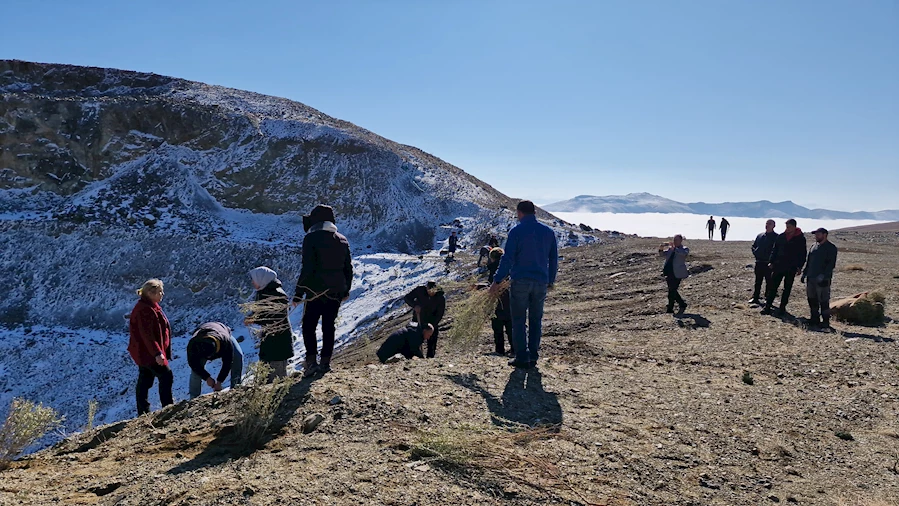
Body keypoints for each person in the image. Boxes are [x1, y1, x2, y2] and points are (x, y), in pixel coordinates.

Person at [490, 200, 558, 369]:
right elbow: (553, 259)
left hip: (520, 281)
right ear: (534, 212)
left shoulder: (516, 231)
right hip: (541, 282)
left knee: (519, 320)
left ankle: (522, 357)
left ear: (519, 213)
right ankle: (533, 356)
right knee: (536, 320)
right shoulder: (548, 232)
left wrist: (497, 281)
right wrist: (551, 280)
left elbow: (507, 259)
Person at [293, 204, 353, 377]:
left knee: (309, 326)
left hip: (315, 291)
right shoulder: (342, 240)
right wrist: (346, 290)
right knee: (328, 326)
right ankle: (325, 363)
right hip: (336, 291)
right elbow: (348, 269)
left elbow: (307, 268)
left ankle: (311, 362)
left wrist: (298, 293)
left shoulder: (311, 239)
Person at [128, 279, 173, 416]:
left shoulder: (150, 306)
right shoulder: (145, 310)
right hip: (148, 352)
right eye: (160, 292)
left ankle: (143, 412)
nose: (162, 294)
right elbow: (147, 335)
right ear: (150, 293)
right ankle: (167, 407)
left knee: (145, 379)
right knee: (166, 375)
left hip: (145, 352)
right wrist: (157, 353)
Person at [248, 266, 294, 380]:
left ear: (261, 279)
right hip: (269, 341)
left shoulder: (278, 295)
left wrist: (254, 319)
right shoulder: (264, 292)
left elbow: (276, 318)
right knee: (266, 377)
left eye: (254, 279)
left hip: (278, 343)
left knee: (276, 379)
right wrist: (252, 317)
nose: (252, 282)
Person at [187, 322, 244, 399]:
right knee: (196, 372)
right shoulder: (194, 343)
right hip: (204, 332)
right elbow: (193, 364)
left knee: (238, 356)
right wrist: (207, 378)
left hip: (222, 330)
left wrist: (219, 381)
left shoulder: (226, 342)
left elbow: (228, 363)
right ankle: (193, 397)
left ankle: (236, 388)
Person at [762, 219, 807, 317]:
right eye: (786, 227)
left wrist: (799, 266)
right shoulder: (781, 236)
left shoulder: (800, 238)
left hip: (791, 267)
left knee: (787, 288)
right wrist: (771, 261)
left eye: (789, 227)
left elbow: (802, 254)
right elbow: (775, 249)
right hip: (778, 265)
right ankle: (767, 306)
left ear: (794, 227)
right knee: (773, 286)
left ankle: (782, 308)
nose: (787, 229)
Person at [802, 228, 838, 329]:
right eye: (816, 234)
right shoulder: (813, 246)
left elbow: (831, 264)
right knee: (812, 299)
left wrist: (824, 275)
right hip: (811, 278)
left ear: (825, 235)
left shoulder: (831, 248)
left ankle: (825, 321)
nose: (816, 236)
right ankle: (814, 319)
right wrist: (805, 273)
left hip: (823, 280)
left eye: (818, 234)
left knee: (823, 300)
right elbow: (809, 261)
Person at [403, 281, 446, 358]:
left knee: (432, 340)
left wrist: (431, 326)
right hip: (418, 319)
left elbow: (439, 314)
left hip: (432, 321)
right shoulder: (420, 291)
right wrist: (415, 305)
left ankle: (430, 358)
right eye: (429, 291)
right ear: (426, 288)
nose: (431, 293)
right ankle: (416, 357)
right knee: (414, 339)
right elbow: (407, 298)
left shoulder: (440, 298)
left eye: (433, 291)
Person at [749, 220, 778, 305]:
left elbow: (778, 250)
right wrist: (756, 253)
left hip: (769, 263)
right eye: (766, 224)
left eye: (769, 224)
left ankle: (767, 298)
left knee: (769, 281)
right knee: (758, 281)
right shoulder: (760, 236)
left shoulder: (776, 237)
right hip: (759, 262)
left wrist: (773, 261)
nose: (767, 225)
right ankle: (755, 297)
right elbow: (754, 246)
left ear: (773, 226)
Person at [658, 235, 689, 314]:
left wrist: (674, 249)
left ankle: (670, 308)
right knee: (672, 290)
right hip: (669, 272)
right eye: (674, 240)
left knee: (672, 290)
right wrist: (661, 248)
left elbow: (683, 254)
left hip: (678, 273)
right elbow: (662, 254)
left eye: (677, 240)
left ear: (681, 241)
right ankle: (682, 303)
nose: (675, 242)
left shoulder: (684, 249)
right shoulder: (670, 249)